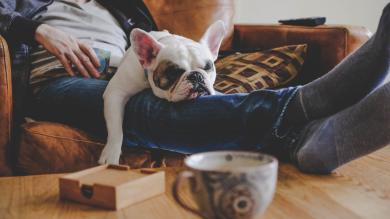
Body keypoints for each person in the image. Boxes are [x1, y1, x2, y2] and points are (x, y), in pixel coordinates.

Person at [1, 0, 389, 174]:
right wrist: (38, 28)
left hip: (120, 71)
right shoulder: (29, 5)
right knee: (147, 111)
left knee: (172, 103)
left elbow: (163, 53)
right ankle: (309, 105)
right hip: (58, 81)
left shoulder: (122, 7)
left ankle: (308, 142)